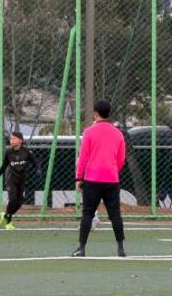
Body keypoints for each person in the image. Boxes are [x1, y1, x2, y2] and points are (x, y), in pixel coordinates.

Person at [72, 99, 126, 257]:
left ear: (95, 113)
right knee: (115, 214)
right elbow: (121, 158)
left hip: (92, 179)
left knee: (88, 213)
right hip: (112, 179)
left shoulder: (89, 132)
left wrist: (79, 178)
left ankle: (81, 248)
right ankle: (121, 249)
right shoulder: (118, 133)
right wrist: (114, 170)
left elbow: (83, 157)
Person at [0, 131, 41, 230]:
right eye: (11, 139)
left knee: (19, 203)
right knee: (12, 200)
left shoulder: (26, 152)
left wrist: (38, 170)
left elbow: (36, 162)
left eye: (14, 139)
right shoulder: (8, 152)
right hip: (11, 180)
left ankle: (5, 215)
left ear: (20, 140)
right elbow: (4, 165)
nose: (11, 141)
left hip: (22, 180)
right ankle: (8, 223)